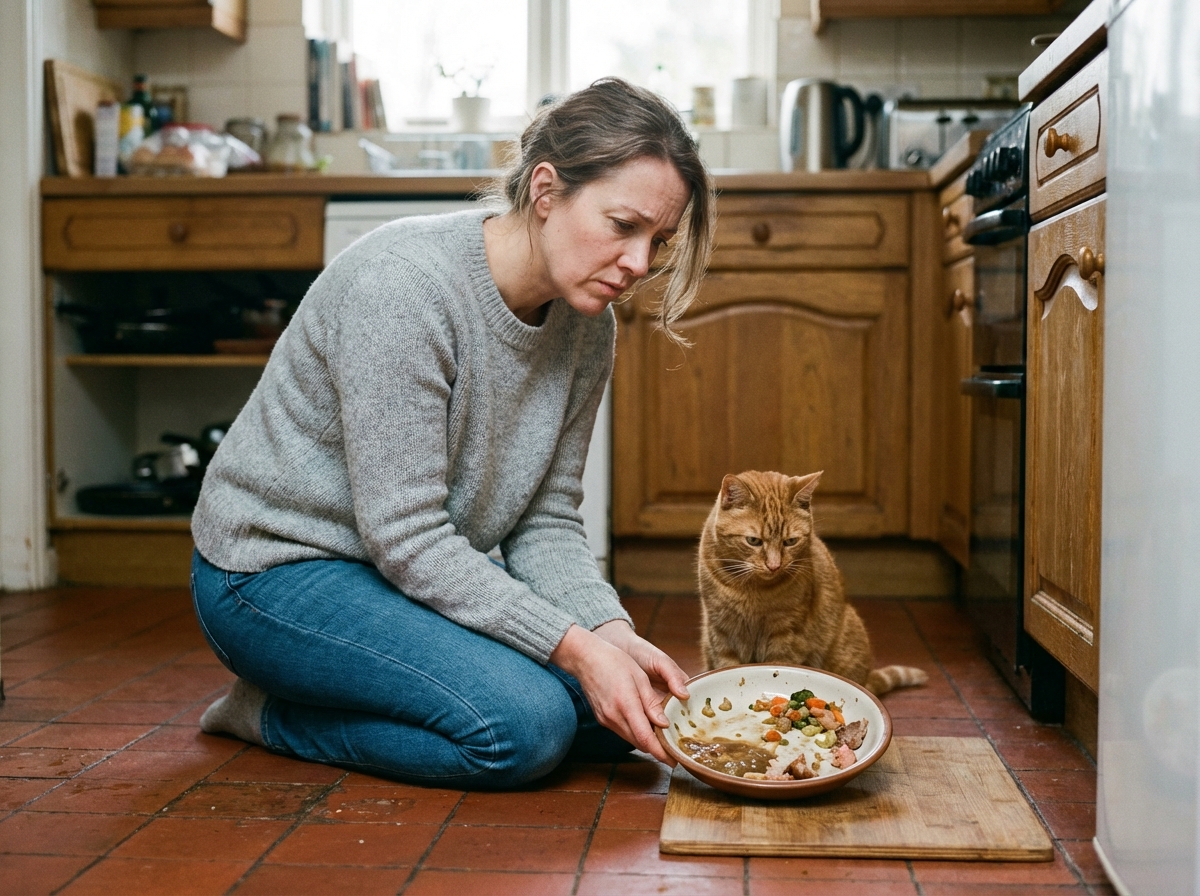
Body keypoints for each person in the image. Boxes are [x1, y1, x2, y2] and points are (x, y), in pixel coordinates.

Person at [190, 78, 715, 788]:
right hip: (272, 574)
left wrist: (609, 634)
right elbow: (406, 535)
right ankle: (267, 713)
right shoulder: (404, 289)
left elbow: (545, 518)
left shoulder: (588, 326)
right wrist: (575, 649)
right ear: (546, 190)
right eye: (624, 226)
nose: (639, 265)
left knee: (609, 713)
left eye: (657, 240)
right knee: (524, 729)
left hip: (394, 570)